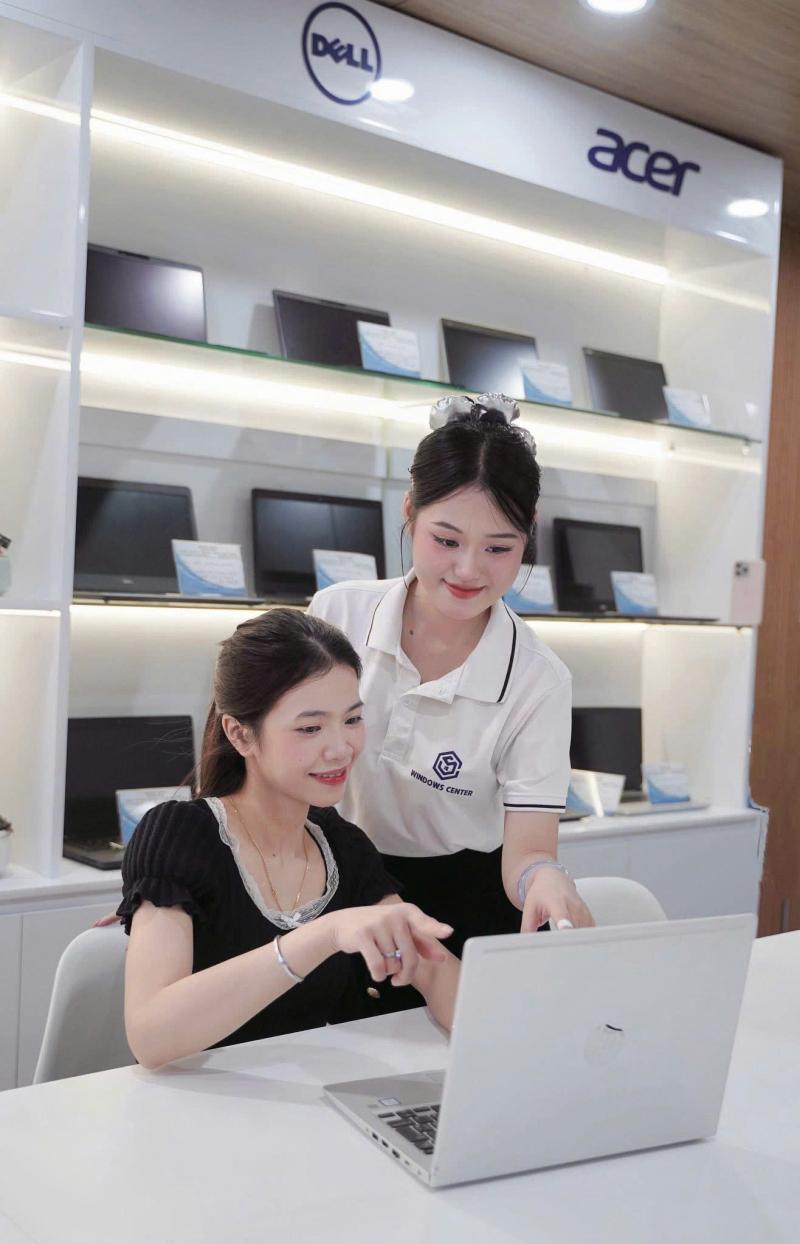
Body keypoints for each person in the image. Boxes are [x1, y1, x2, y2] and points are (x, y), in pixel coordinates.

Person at [308, 392, 593, 985]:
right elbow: (265, 763)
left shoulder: (538, 679)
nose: (469, 570)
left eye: (499, 548)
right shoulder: (337, 614)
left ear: (528, 535)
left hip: (463, 909)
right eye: (446, 540)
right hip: (332, 886)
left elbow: (527, 852)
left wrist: (544, 878)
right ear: (410, 511)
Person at [117, 609, 459, 1069]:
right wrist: (323, 935)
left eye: (352, 720)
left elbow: (443, 982)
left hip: (309, 1095)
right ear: (240, 734)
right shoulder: (180, 834)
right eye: (310, 728)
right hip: (198, 1101)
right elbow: (150, 1037)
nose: (340, 748)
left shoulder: (343, 845)